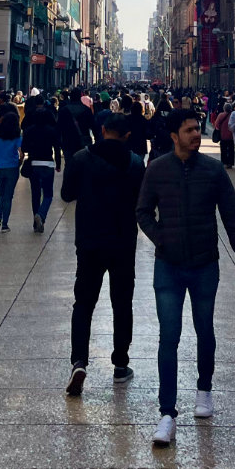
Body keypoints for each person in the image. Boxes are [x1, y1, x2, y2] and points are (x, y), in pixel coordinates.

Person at [136, 108, 235, 449]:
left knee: (205, 328)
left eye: (196, 129)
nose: (195, 134)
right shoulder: (158, 169)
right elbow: (142, 211)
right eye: (188, 130)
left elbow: (232, 216)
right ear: (174, 136)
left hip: (204, 264)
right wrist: (161, 238)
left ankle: (204, 390)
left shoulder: (213, 171)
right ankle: (166, 413)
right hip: (168, 266)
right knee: (168, 336)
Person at [62, 110, 144, 395]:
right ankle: (120, 364)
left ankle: (79, 362)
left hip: (89, 241)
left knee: (83, 304)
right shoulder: (135, 163)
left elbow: (66, 194)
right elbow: (143, 202)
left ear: (103, 129)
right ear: (127, 135)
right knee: (122, 303)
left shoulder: (81, 158)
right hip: (123, 242)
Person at [21, 98, 62, 232]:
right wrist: (58, 164)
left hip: (33, 163)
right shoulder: (51, 131)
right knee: (48, 194)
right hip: (48, 163)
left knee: (35, 194)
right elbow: (57, 148)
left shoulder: (29, 131)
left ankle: (36, 221)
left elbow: (24, 148)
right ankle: (41, 215)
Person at [0, 105, 22, 232]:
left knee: (1, 194)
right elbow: (21, 153)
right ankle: (5, 224)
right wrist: (19, 162)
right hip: (12, 167)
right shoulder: (17, 137)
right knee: (8, 196)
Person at [213, 100, 235, 171]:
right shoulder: (233, 115)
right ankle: (230, 163)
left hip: (223, 135)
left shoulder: (221, 115)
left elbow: (216, 124)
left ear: (224, 108)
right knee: (231, 149)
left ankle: (224, 162)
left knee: (223, 149)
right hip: (232, 136)